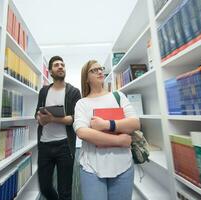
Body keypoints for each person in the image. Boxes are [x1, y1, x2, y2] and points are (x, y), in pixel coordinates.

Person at [73, 60, 140, 200]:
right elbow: (82, 132)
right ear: (86, 78)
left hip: (123, 166)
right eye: (94, 70)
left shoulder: (118, 96)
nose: (99, 71)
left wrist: (106, 125)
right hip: (92, 168)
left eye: (100, 68)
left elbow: (134, 123)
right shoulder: (82, 103)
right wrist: (119, 140)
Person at [35, 56, 81, 200]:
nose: (60, 67)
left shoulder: (73, 92)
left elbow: (74, 118)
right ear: (50, 71)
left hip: (64, 146)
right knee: (45, 187)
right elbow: (37, 113)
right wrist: (40, 120)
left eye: (62, 64)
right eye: (56, 65)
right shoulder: (43, 91)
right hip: (44, 145)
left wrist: (52, 119)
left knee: (65, 190)